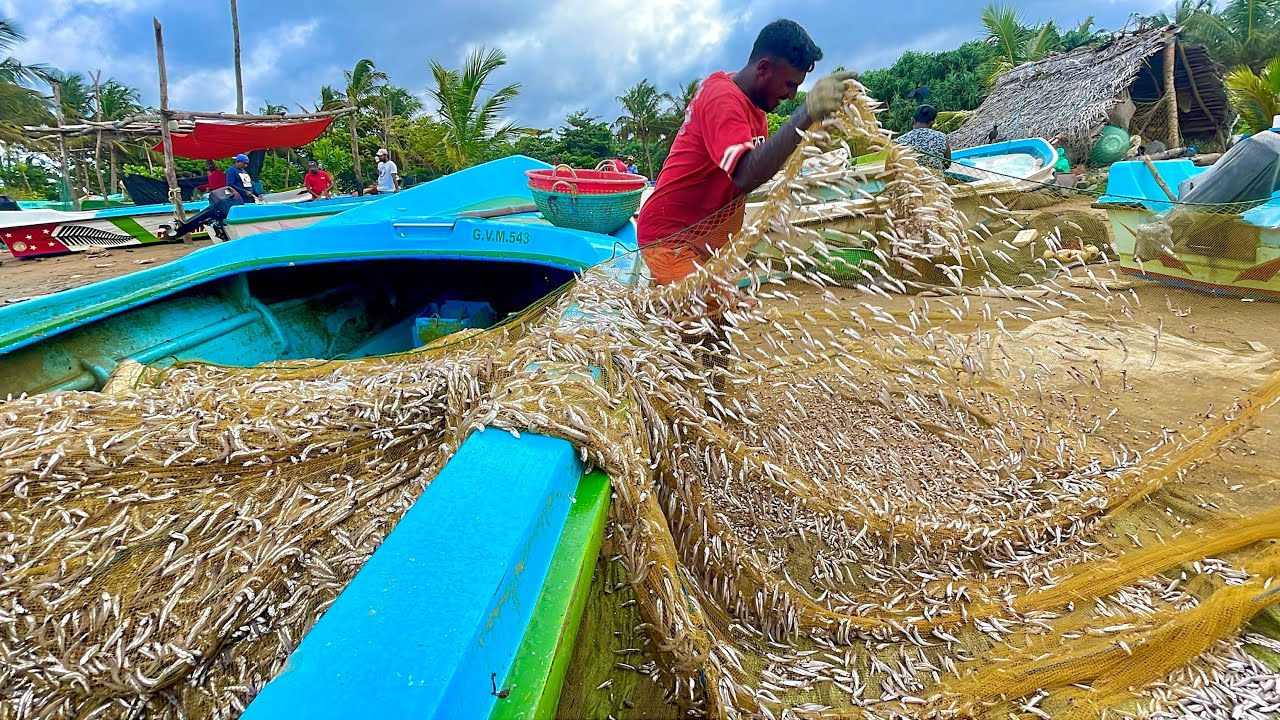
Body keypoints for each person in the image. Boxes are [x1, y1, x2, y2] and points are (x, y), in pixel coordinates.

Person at [636, 18, 856, 286]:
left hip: (704, 239)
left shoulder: (755, 109)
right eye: (789, 84)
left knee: (727, 306)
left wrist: (809, 137)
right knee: (706, 307)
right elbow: (744, 175)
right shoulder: (722, 98)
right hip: (670, 238)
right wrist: (805, 114)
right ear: (763, 68)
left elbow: (763, 163)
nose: (791, 95)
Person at [893, 105, 950, 170]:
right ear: (932, 122)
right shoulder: (942, 137)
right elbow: (947, 164)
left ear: (912, 120)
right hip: (935, 175)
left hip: (908, 175)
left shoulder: (899, 141)